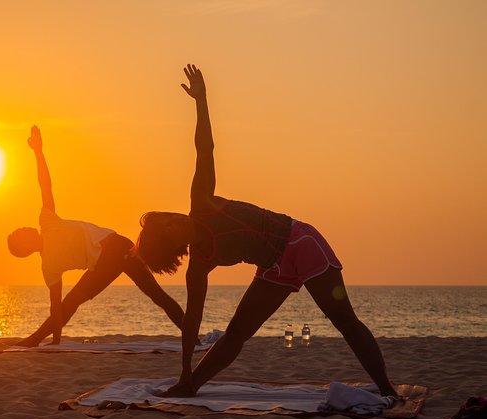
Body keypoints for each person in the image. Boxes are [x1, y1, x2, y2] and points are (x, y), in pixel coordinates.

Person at [136, 64, 397, 397]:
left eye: (169, 216)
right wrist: (184, 370)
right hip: (274, 267)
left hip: (300, 243)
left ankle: (387, 390)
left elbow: (205, 148)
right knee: (236, 333)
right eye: (168, 228)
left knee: (344, 320)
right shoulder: (199, 262)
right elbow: (192, 320)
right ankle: (190, 386)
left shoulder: (201, 202)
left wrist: (201, 101)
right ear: (171, 245)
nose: (176, 220)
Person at [8, 125, 185, 346]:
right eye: (20, 233)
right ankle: (36, 341)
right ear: (25, 246)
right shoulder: (49, 266)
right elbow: (56, 307)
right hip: (108, 260)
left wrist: (38, 151)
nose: (24, 228)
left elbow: (45, 185)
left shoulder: (47, 221)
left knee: (156, 296)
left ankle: (193, 337)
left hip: (119, 247)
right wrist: (56, 341)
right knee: (71, 302)